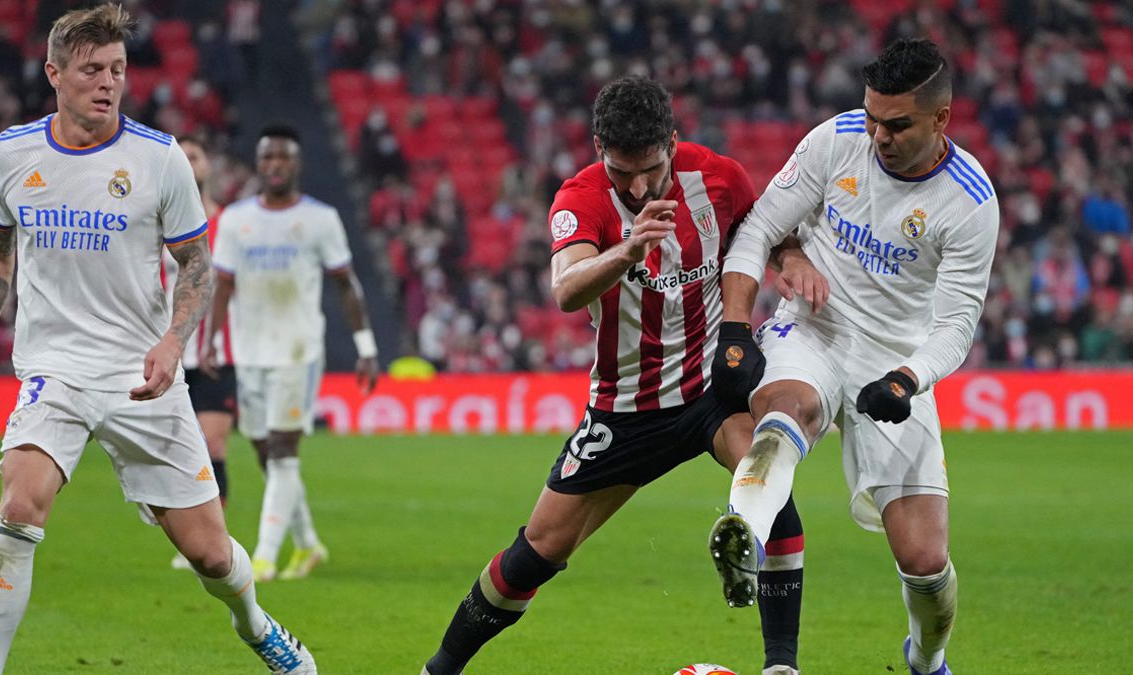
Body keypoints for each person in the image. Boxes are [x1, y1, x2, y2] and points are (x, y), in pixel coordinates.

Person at [0, 5, 316, 674]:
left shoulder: (158, 158)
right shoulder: (12, 154)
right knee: (19, 505)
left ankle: (258, 624)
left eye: (117, 70)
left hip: (140, 376)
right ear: (53, 73)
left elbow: (196, 264)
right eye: (92, 70)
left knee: (210, 554)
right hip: (55, 369)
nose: (108, 83)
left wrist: (174, 341)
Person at [421, 75, 827, 675]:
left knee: (768, 478)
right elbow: (566, 288)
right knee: (541, 548)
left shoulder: (719, 177)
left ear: (673, 142)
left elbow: (766, 232)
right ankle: (438, 670)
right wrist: (628, 250)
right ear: (598, 150)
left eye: (651, 171)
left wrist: (790, 255)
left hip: (712, 390)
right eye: (622, 173)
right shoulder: (580, 199)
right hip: (627, 406)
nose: (637, 188)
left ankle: (780, 666)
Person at [708, 39, 999, 675]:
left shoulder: (969, 201)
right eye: (872, 117)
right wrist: (737, 325)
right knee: (788, 409)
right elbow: (758, 228)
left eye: (897, 125)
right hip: (813, 330)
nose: (878, 136)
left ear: (941, 118)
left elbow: (956, 325)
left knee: (925, 563)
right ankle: (745, 533)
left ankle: (927, 659)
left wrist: (907, 379)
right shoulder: (836, 140)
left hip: (894, 360)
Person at [206, 124, 379, 583]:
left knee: (283, 451)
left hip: (298, 351)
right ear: (258, 163)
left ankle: (263, 557)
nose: (275, 165)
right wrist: (211, 343)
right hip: (249, 352)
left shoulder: (320, 219)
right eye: (268, 157)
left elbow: (346, 284)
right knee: (266, 452)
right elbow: (222, 286)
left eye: (283, 157)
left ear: (297, 163)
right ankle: (307, 543)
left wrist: (365, 348)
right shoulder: (237, 220)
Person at [163, 135, 237, 570]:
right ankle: (194, 537)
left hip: (218, 352)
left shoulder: (231, 224)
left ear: (208, 165)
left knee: (213, 443)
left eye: (196, 155)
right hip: (170, 352)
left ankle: (214, 540)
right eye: (183, 156)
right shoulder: (157, 223)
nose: (189, 162)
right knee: (179, 449)